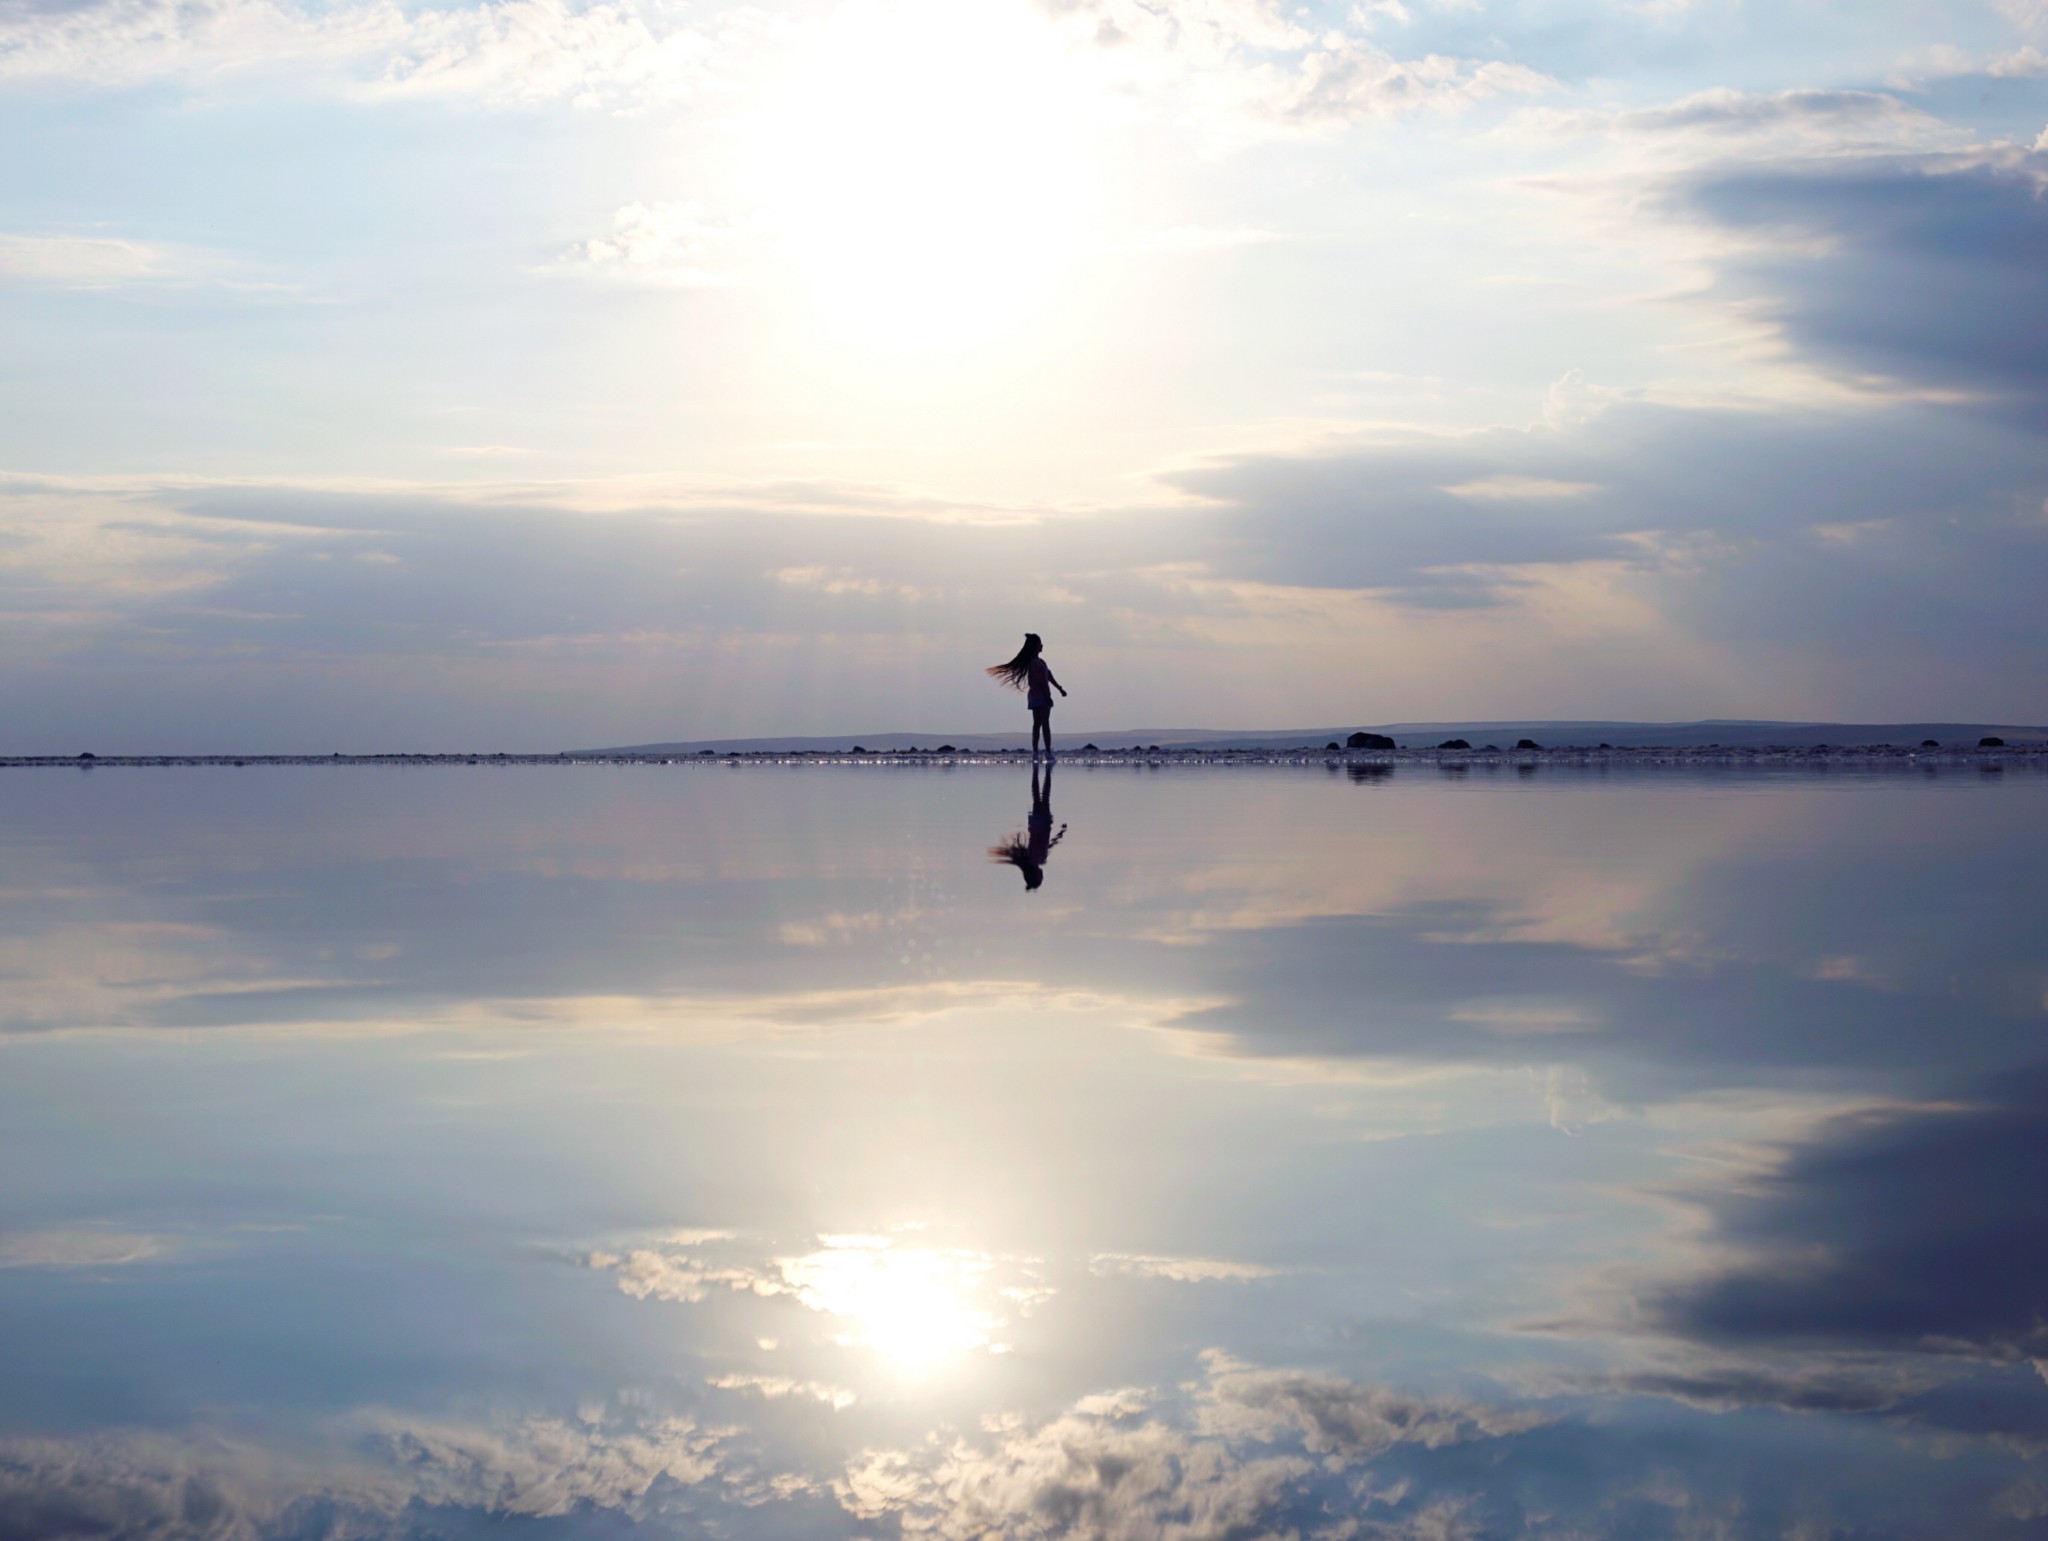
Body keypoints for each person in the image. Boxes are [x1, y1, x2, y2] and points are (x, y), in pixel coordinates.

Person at [985, 632, 1067, 760]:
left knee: (1037, 724)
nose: (1042, 646)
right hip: (1040, 697)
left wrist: (1059, 688)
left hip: (1035, 697)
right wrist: (1048, 696)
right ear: (1035, 646)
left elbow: (1049, 676)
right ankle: (1046, 752)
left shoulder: (1040, 662)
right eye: (1040, 643)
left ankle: (1037, 752)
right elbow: (1041, 681)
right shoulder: (1035, 663)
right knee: (1044, 724)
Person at [989, 762, 1065, 891]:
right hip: (1035, 823)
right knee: (1037, 796)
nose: (1043, 877)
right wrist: (1059, 835)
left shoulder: (1039, 859)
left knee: (1045, 795)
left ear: (1036, 876)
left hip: (1044, 823)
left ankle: (1045, 773)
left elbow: (1045, 843)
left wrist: (1059, 834)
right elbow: (1048, 844)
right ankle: (1036, 774)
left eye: (1041, 879)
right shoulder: (1029, 860)